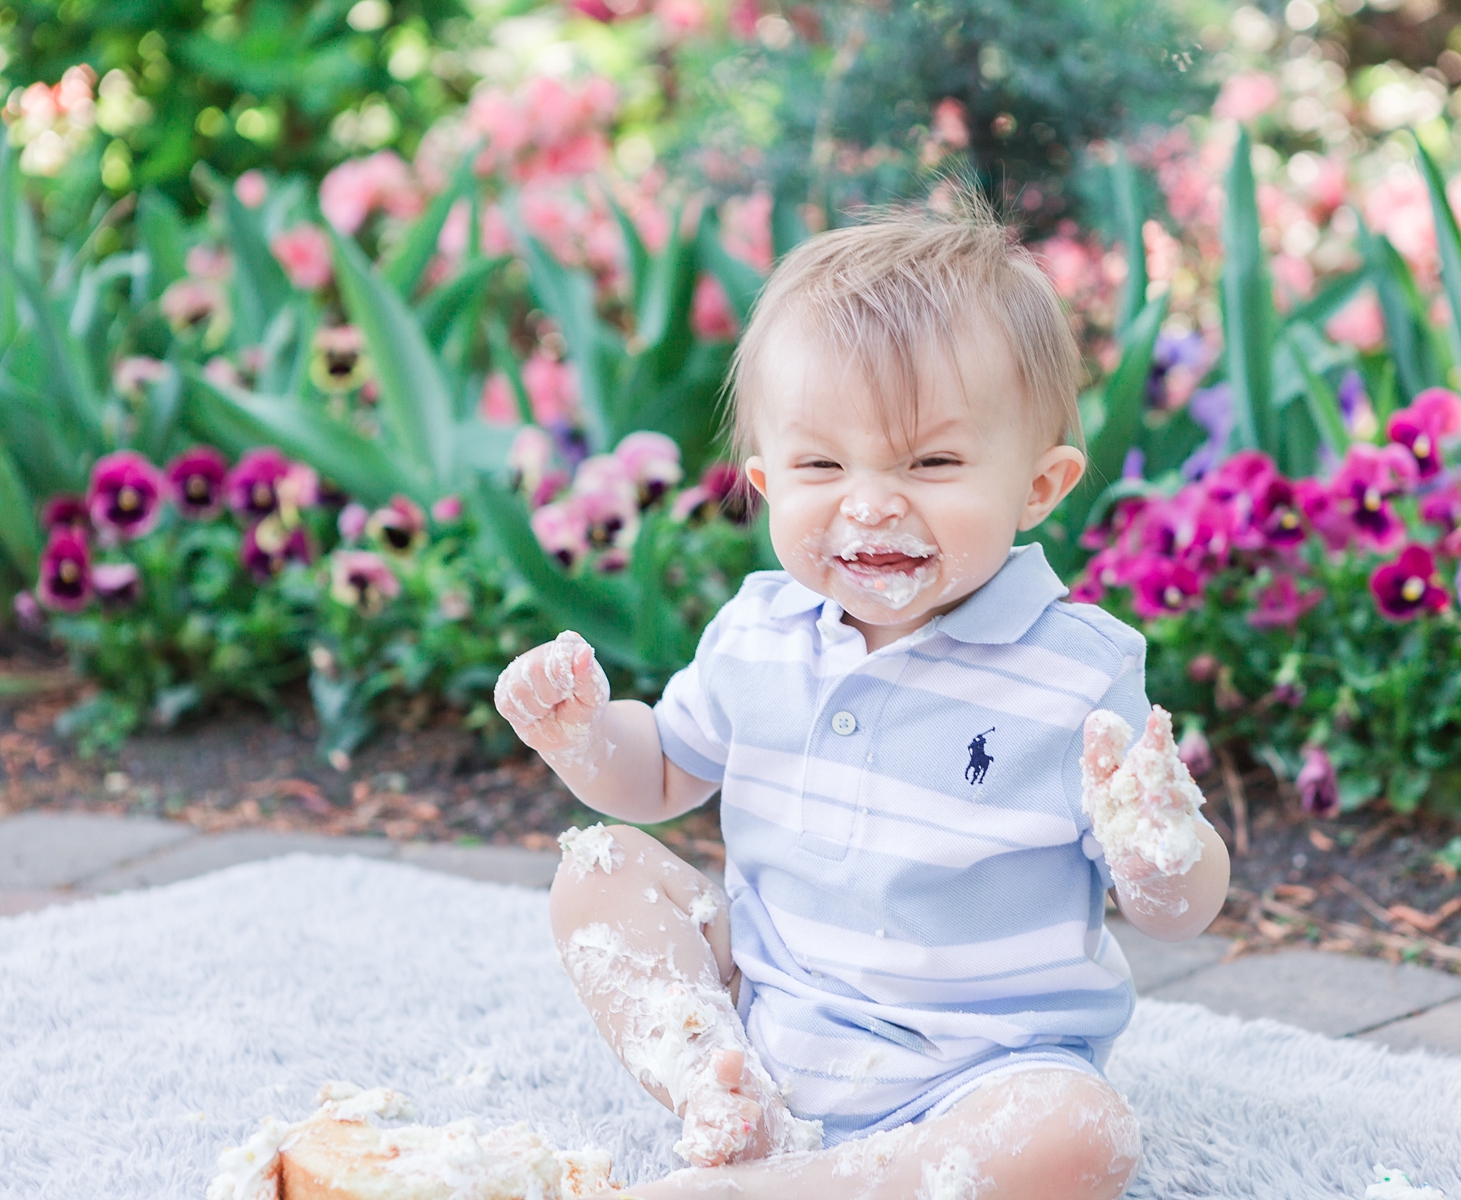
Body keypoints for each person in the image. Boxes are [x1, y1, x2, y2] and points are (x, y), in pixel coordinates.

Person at [493, 199, 1231, 1199]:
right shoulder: (759, 635)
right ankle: (719, 1093)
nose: (871, 500)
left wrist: (1156, 847)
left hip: (982, 1074)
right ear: (764, 483)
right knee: (601, 870)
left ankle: (815, 1182)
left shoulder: (1076, 670)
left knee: (1082, 1135)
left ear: (1039, 487)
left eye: (931, 462)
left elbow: (1177, 912)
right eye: (822, 465)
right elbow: (657, 774)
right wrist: (582, 737)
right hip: (770, 1016)